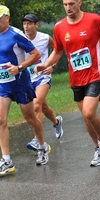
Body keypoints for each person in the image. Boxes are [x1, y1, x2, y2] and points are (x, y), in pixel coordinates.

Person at [37, 0, 100, 167]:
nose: (68, 7)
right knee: (85, 117)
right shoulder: (59, 27)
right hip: (76, 78)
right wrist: (46, 64)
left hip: (96, 73)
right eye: (65, 4)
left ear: (79, 3)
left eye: (71, 4)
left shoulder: (94, 20)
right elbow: (58, 51)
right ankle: (98, 148)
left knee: (89, 112)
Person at [0, 5, 50, 174]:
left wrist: (20, 67)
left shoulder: (17, 35)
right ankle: (6, 160)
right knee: (0, 119)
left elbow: (36, 54)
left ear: (7, 17)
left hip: (20, 82)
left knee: (30, 118)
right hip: (2, 83)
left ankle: (42, 146)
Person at [21, 14, 64, 152]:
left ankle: (36, 139)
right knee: (44, 108)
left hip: (43, 76)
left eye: (29, 23)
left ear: (37, 24)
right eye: (24, 24)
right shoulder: (20, 39)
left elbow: (58, 50)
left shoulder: (45, 38)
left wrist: (52, 66)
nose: (26, 26)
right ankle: (56, 122)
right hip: (27, 78)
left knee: (37, 105)